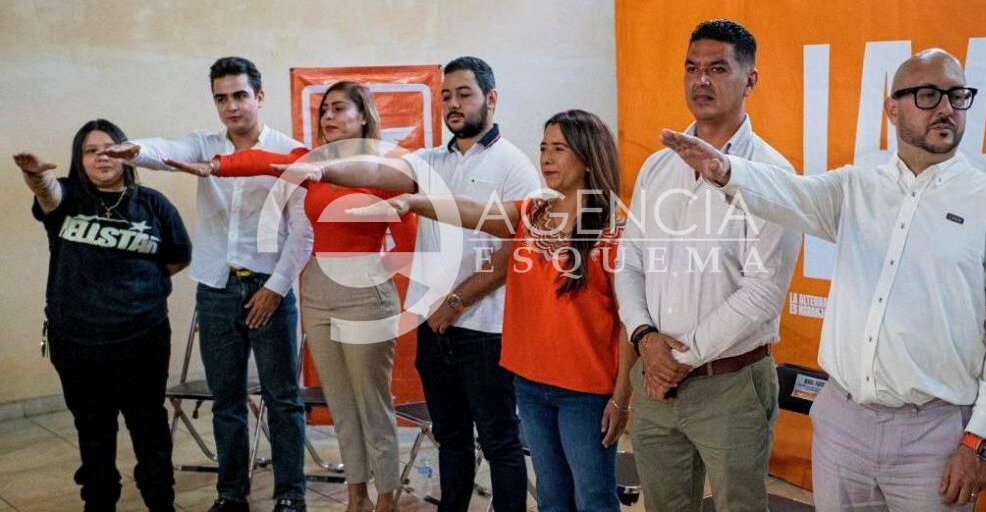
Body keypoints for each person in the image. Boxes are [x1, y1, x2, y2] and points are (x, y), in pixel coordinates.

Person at [666, 48, 986, 510]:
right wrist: (725, 170)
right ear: (892, 109)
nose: (946, 109)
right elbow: (790, 194)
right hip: (843, 425)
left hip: (935, 435)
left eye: (957, 96)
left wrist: (981, 441)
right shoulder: (857, 187)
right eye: (929, 95)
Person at [275, 56, 539, 512]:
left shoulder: (514, 165)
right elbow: (376, 173)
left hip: (484, 328)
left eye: (464, 94)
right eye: (446, 96)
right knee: (450, 438)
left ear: (491, 99)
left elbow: (514, 252)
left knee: (499, 441)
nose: (453, 104)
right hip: (433, 325)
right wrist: (324, 169)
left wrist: (454, 301)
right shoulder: (428, 160)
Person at [349, 109, 637, 511]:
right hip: (530, 383)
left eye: (559, 149)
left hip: (585, 391)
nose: (547, 158)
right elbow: (472, 210)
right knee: (552, 498)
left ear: (588, 157)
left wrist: (622, 397)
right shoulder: (534, 213)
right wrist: (414, 202)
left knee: (592, 498)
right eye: (544, 148)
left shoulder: (613, 233)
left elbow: (628, 324)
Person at [166, 80, 416, 512]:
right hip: (316, 290)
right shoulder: (310, 162)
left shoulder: (385, 170)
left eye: (340, 108)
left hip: (365, 294)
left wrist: (370, 273)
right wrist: (216, 166)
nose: (329, 117)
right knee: (340, 403)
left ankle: (386, 498)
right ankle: (356, 495)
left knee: (371, 403)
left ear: (363, 116)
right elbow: (262, 161)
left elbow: (408, 245)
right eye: (324, 110)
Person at [99, 57, 313, 512]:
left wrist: (275, 289)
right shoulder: (203, 145)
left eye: (240, 95)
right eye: (221, 98)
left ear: (260, 96)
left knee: (282, 400)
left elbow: (303, 231)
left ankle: (290, 495)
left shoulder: (292, 152)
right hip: (216, 289)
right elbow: (166, 151)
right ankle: (231, 494)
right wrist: (133, 149)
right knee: (226, 400)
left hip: (270, 288)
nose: (231, 106)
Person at [614, 19, 801, 511]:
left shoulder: (772, 175)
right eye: (692, 68)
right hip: (654, 381)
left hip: (730, 385)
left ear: (750, 80)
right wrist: (644, 338)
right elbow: (629, 262)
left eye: (718, 69)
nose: (701, 80)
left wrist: (677, 359)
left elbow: (763, 293)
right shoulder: (658, 165)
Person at [14, 119, 192, 512]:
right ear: (79, 160)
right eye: (91, 151)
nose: (102, 157)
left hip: (143, 339)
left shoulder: (153, 203)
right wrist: (36, 177)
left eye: (110, 148)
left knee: (149, 427)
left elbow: (178, 258)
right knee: (94, 431)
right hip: (77, 342)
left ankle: (160, 502)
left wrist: (136, 290)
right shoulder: (68, 198)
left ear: (126, 153)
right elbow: (47, 193)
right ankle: (99, 504)